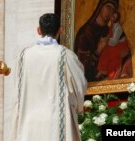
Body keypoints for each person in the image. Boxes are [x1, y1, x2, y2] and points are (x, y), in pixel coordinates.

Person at [11, 13, 87, 141]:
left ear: (39, 30)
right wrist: (79, 108)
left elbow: (18, 91)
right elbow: (79, 87)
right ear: (60, 30)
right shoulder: (66, 56)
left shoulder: (24, 56)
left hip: (29, 123)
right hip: (56, 124)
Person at [74, 0, 119, 82]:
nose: (110, 12)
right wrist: (98, 50)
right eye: (108, 7)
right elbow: (82, 67)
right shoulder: (85, 34)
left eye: (113, 10)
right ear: (100, 7)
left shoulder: (110, 32)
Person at [96, 11, 132, 80]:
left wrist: (106, 41)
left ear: (117, 19)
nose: (112, 18)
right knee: (105, 51)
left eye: (114, 17)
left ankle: (107, 72)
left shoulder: (118, 28)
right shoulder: (112, 26)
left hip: (121, 45)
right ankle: (102, 70)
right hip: (114, 44)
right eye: (112, 16)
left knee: (108, 53)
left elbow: (114, 41)